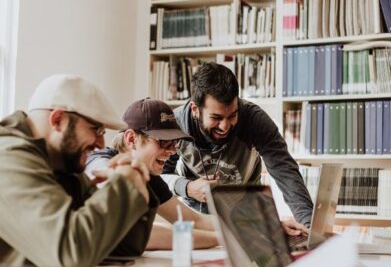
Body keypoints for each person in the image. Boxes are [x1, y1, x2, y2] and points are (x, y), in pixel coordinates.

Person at [0, 74, 156, 267]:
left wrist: (136, 181)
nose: (101, 144)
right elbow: (70, 255)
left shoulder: (60, 163)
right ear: (58, 120)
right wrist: (124, 184)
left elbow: (124, 247)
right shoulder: (8, 157)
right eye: (96, 130)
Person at [162, 62, 313, 233]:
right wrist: (187, 188)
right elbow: (160, 177)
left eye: (232, 115)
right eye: (216, 117)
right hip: (197, 219)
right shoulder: (175, 124)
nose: (225, 126)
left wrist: (309, 227)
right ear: (195, 109)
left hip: (247, 216)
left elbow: (285, 171)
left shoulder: (254, 119)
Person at [85, 98, 218, 250]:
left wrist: (240, 228)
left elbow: (194, 220)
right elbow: (136, 233)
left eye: (175, 143)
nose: (172, 151)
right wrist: (220, 239)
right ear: (131, 139)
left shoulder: (148, 175)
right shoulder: (100, 161)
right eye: (164, 142)